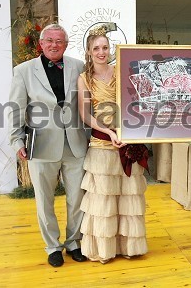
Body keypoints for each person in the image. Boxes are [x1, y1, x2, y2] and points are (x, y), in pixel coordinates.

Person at [8, 23, 88, 267]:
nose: (55, 45)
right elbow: (17, 107)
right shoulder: (23, 71)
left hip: (75, 143)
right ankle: (52, 246)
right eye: (50, 40)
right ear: (41, 44)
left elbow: (89, 104)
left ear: (66, 44)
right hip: (41, 144)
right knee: (44, 200)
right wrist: (16, 139)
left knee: (78, 198)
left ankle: (74, 242)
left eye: (60, 41)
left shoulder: (79, 66)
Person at [77, 23, 149, 264]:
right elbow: (86, 115)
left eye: (105, 47)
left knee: (128, 198)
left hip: (128, 142)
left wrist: (130, 129)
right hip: (102, 147)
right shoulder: (84, 78)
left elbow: (136, 102)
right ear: (88, 51)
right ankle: (104, 249)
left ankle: (128, 246)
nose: (101, 52)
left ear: (110, 49)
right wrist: (108, 132)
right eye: (96, 48)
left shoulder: (122, 71)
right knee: (104, 200)